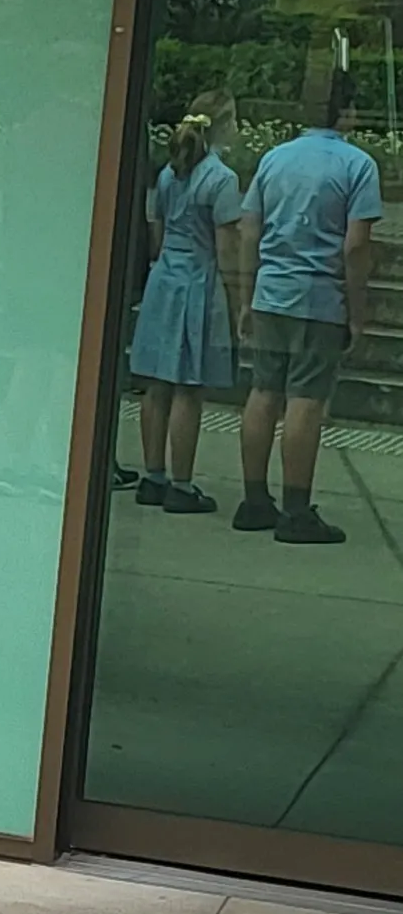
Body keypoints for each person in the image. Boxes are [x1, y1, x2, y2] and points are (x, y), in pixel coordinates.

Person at [237, 50, 382, 545]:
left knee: (263, 392)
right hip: (319, 297)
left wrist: (246, 293)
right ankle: (296, 509)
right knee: (306, 399)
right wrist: (356, 312)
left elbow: (249, 227)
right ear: (349, 112)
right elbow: (357, 244)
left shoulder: (274, 158)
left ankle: (254, 498)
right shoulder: (357, 165)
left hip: (271, 293)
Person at [126, 92, 249, 513]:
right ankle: (182, 482)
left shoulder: (169, 173)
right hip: (198, 282)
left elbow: (157, 232)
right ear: (224, 124)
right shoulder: (221, 179)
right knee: (188, 387)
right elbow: (227, 248)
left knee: (157, 384)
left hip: (165, 280)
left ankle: (153, 475)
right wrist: (237, 301)